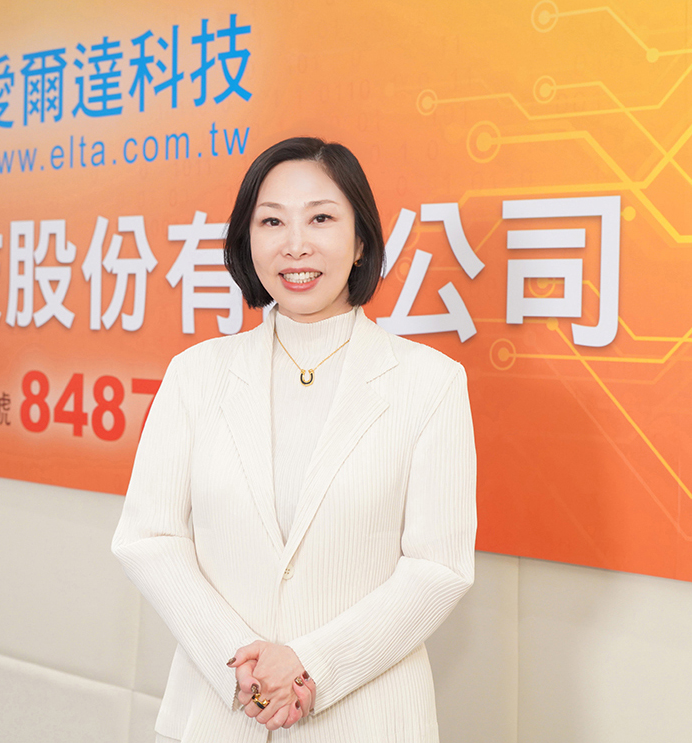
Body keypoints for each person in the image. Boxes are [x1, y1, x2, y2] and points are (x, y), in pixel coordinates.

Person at [112, 136, 477, 742]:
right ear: (247, 239)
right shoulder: (196, 374)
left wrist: (310, 664)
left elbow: (439, 567)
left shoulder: (430, 382)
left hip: (367, 719)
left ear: (361, 242)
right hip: (220, 712)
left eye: (322, 219)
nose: (296, 244)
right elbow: (149, 537)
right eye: (272, 221)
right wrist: (239, 658)